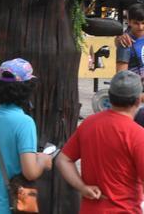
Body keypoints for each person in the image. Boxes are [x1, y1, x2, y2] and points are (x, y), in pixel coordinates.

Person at [0, 58, 54, 214]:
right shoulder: (25, 123)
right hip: (12, 207)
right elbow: (30, 172)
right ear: (27, 89)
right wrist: (43, 161)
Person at [56, 70, 144, 212]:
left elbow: (63, 160)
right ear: (139, 100)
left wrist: (82, 187)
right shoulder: (137, 135)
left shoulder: (89, 123)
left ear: (109, 96)